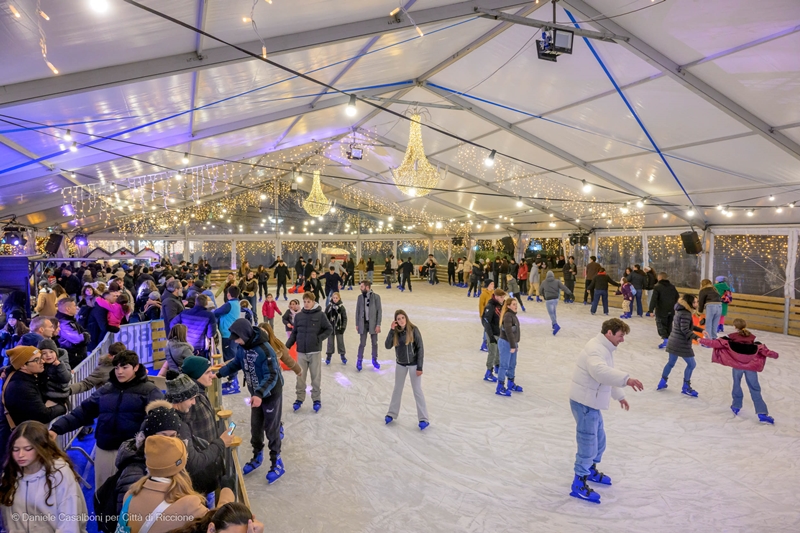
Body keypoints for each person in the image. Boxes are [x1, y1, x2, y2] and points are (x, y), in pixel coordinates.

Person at [50, 350, 164, 489]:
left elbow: (158, 420)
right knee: (102, 492)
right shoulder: (106, 390)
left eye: (124, 367)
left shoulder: (150, 391)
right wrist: (57, 428)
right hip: (105, 448)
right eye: (116, 367)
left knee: (130, 493)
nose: (119, 371)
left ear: (136, 367)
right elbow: (84, 411)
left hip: (133, 453)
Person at [568, 319, 643, 504]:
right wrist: (627, 379)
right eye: (620, 336)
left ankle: (590, 469)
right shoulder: (596, 350)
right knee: (588, 443)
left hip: (592, 402)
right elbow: (600, 373)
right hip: (585, 402)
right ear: (609, 333)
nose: (622, 340)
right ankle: (579, 482)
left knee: (599, 440)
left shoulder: (605, 349)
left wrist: (619, 396)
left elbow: (607, 375)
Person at [217, 319, 285, 483]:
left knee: (271, 428)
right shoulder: (243, 347)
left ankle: (277, 462)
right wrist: (219, 373)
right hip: (256, 395)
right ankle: (257, 455)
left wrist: (260, 394)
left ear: (245, 335)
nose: (235, 341)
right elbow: (236, 363)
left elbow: (272, 375)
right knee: (256, 427)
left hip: (270, 395)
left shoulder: (265, 349)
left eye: (237, 338)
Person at [122, 436, 234, 533]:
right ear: (181, 465)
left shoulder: (130, 496)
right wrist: (227, 491)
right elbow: (220, 523)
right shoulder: (188, 504)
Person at [0, 421, 88, 533]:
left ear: (41, 448)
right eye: (15, 449)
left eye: (28, 449)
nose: (20, 455)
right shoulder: (10, 473)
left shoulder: (60, 474)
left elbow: (69, 525)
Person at [698, 318, 777, 424]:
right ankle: (762, 413)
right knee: (755, 388)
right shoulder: (753, 340)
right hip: (751, 368)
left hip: (737, 367)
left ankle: (736, 406)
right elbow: (765, 351)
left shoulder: (729, 339)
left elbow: (715, 343)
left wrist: (701, 340)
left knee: (736, 385)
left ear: (735, 327)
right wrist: (775, 355)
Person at [164, 375, 233, 495]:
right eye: (191, 398)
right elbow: (194, 463)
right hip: (190, 488)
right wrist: (221, 443)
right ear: (180, 398)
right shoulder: (178, 427)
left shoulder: (168, 417)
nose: (194, 402)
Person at [0, 346, 68, 461]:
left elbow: (61, 351)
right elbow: (43, 415)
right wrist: (62, 407)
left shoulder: (22, 375)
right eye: (37, 360)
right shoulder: (21, 387)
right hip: (14, 445)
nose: (42, 361)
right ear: (23, 366)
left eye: (40, 357)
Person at [286, 292, 333, 413]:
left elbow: (329, 329)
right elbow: (295, 333)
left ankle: (316, 399)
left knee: (315, 377)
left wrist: (319, 338)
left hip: (315, 351)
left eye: (309, 302)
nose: (306, 304)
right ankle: (299, 398)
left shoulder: (320, 315)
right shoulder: (299, 316)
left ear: (313, 302)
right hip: (301, 352)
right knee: (300, 377)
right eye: (305, 301)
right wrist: (287, 346)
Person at [384, 310, 429, 430]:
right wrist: (391, 330)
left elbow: (420, 349)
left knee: (417, 390)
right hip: (401, 364)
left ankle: (423, 418)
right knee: (397, 389)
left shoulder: (414, 329)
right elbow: (387, 345)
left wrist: (420, 367)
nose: (401, 320)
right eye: (398, 319)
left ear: (406, 318)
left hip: (414, 365)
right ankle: (391, 413)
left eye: (403, 317)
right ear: (396, 321)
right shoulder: (396, 332)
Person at [657, 294, 704, 397]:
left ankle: (662, 381)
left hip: (673, 341)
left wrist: (701, 330)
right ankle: (686, 387)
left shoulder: (680, 311)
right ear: (689, 304)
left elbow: (687, 326)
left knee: (671, 363)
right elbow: (685, 329)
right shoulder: (686, 314)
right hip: (681, 343)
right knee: (692, 364)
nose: (697, 304)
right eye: (695, 302)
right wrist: (697, 337)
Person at [213, 287, 242, 394]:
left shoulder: (229, 304)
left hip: (228, 334)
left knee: (229, 357)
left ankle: (234, 383)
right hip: (230, 333)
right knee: (230, 356)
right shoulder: (235, 303)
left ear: (228, 294)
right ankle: (232, 380)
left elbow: (216, 312)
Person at [171, 294, 216, 358]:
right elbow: (210, 334)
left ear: (195, 303)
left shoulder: (184, 312)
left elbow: (172, 324)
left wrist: (180, 335)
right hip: (199, 348)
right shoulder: (209, 315)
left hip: (184, 345)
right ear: (206, 304)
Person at [495, 297, 523, 397]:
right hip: (506, 343)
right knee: (504, 365)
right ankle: (500, 387)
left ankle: (511, 383)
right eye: (514, 304)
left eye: (516, 304)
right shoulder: (507, 316)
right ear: (508, 306)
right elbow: (509, 332)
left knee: (512, 364)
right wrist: (512, 345)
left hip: (512, 343)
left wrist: (515, 344)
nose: (516, 306)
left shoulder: (513, 315)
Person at [55, 298, 91, 368]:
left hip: (77, 357)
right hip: (73, 359)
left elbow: (83, 332)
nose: (76, 307)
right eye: (74, 305)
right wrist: (85, 336)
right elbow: (78, 339)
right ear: (68, 309)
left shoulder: (70, 320)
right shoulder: (63, 323)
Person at [355, 281, 382, 372]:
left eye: (362, 286)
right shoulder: (359, 297)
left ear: (367, 287)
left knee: (374, 343)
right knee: (362, 343)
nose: (360, 288)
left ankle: (374, 360)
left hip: (373, 324)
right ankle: (359, 361)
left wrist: (378, 324)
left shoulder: (376, 297)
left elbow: (379, 312)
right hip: (363, 324)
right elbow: (357, 311)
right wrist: (357, 324)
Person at [648, 272, 680, 349]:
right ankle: (669, 340)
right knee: (669, 325)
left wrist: (651, 310)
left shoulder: (657, 287)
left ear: (660, 278)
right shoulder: (672, 286)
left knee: (661, 324)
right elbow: (677, 297)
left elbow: (654, 299)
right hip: (671, 309)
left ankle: (666, 340)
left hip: (661, 309)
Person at [481, 289, 507, 383]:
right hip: (492, 333)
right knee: (492, 352)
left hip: (499, 333)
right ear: (495, 296)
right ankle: (488, 372)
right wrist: (490, 336)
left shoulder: (501, 305)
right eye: (501, 297)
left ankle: (497, 366)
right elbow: (486, 321)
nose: (503, 298)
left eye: (504, 297)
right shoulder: (490, 306)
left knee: (499, 351)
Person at [37, 338, 71, 406]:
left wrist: (60, 366)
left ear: (56, 352)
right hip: (44, 395)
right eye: (44, 353)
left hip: (59, 397)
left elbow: (66, 378)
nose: (48, 355)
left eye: (51, 352)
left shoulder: (62, 364)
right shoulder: (41, 365)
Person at [539, 270, 573, 335]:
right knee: (553, 311)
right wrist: (570, 293)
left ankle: (555, 325)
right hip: (555, 299)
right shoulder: (557, 281)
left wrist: (544, 295)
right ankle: (553, 324)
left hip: (548, 299)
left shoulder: (544, 282)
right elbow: (564, 287)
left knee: (551, 313)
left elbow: (540, 290)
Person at [324, 292, 348, 365]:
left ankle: (342, 355)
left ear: (339, 298)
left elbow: (344, 318)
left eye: (336, 298)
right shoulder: (329, 307)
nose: (335, 299)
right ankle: (328, 356)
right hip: (330, 329)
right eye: (333, 298)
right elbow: (325, 317)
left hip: (339, 329)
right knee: (330, 343)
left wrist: (343, 327)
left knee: (340, 342)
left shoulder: (341, 307)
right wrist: (326, 326)